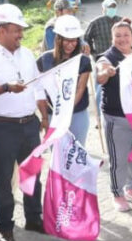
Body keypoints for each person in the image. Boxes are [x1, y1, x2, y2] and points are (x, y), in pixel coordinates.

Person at [0, 4, 49, 241]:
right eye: (16, 30)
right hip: (4, 128)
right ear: (2, 30)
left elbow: (37, 87)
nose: (21, 35)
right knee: (3, 180)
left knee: (32, 174)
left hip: (29, 124)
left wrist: (44, 116)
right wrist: (8, 87)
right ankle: (6, 227)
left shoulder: (26, 54)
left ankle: (33, 218)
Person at [96, 19, 132, 211]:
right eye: (118, 36)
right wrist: (106, 72)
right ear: (112, 38)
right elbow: (101, 73)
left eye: (126, 35)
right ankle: (117, 194)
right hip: (116, 118)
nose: (122, 39)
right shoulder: (107, 57)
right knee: (118, 158)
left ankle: (131, 188)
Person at [38, 16, 92, 146]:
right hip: (54, 116)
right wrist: (45, 117)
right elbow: (39, 91)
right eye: (67, 41)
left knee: (77, 152)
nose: (71, 45)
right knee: (57, 156)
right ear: (58, 39)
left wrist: (66, 110)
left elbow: (80, 88)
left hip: (77, 114)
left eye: (74, 41)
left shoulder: (83, 61)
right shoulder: (44, 60)